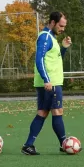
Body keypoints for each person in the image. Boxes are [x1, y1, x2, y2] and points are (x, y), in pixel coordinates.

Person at [22, 11, 71, 156]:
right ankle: (64, 144)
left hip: (50, 82)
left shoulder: (52, 38)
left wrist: (64, 48)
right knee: (57, 111)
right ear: (53, 22)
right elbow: (39, 60)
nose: (63, 29)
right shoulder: (45, 37)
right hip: (51, 83)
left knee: (43, 112)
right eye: (61, 26)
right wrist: (46, 79)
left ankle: (28, 145)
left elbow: (56, 60)